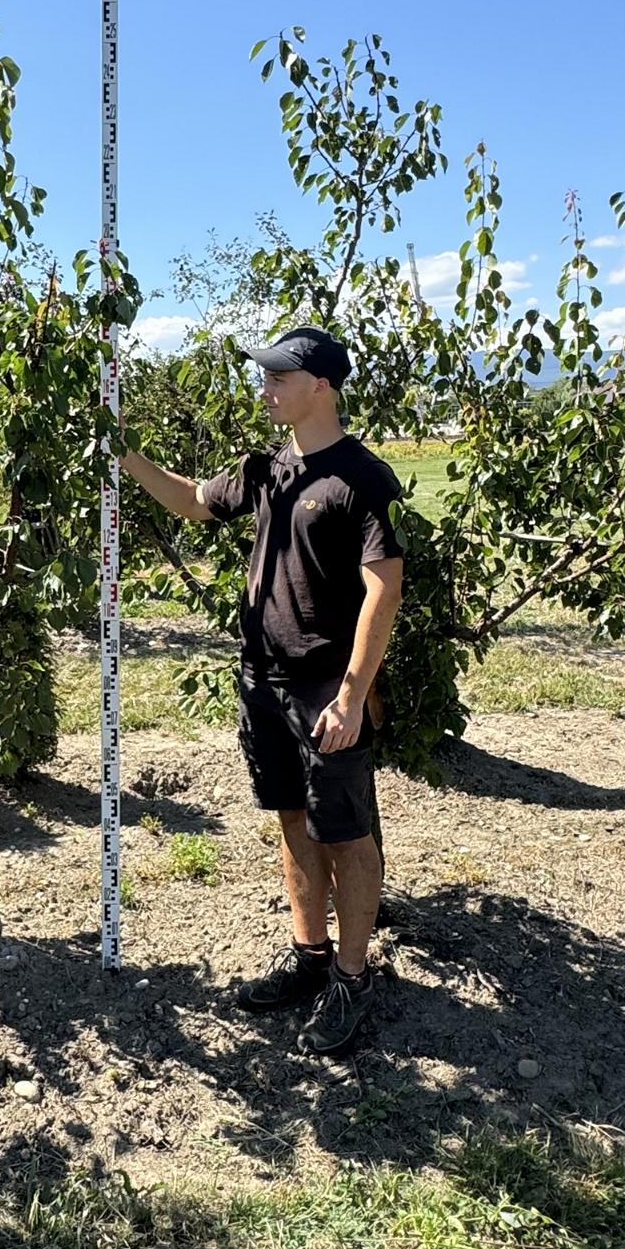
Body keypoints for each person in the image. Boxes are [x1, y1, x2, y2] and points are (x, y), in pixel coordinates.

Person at [120, 325, 404, 1054]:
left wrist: (350, 693)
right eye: (266, 374)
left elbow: (384, 591)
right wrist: (126, 458)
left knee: (346, 836)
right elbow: (192, 500)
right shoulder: (268, 468)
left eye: (280, 376)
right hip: (263, 681)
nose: (266, 385)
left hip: (324, 690)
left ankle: (352, 976)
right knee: (291, 821)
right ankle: (310, 958)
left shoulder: (360, 479)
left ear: (321, 387)